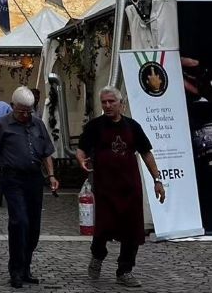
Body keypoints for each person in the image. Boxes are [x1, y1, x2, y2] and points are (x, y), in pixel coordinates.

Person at [77, 87, 166, 288]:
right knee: (104, 227)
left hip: (130, 187)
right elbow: (81, 150)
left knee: (132, 231)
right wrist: (82, 161)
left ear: (120, 104)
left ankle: (125, 270)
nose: (107, 106)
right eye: (104, 102)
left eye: (111, 102)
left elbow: (147, 154)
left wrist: (157, 180)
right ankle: (97, 256)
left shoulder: (133, 127)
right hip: (105, 187)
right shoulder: (95, 126)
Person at [0, 86, 59, 289]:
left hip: (34, 179)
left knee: (34, 226)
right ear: (12, 107)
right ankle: (15, 270)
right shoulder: (2, 125)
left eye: (29, 111)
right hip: (12, 179)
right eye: (21, 111)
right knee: (19, 222)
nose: (26, 115)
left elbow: (46, 152)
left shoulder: (37, 125)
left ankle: (26, 267)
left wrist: (51, 175)